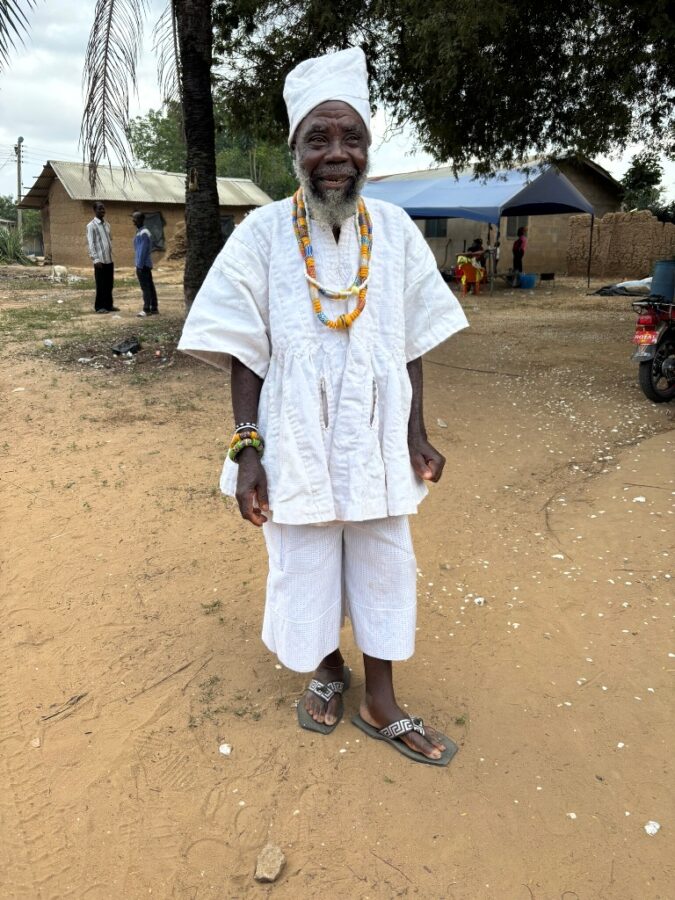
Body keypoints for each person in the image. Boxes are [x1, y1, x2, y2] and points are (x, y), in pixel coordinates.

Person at [178, 47, 468, 766]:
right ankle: (327, 668)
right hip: (294, 435)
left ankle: (381, 699)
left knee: (383, 558)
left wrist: (416, 432)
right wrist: (248, 449)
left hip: (375, 435)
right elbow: (245, 349)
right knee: (303, 558)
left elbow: (408, 341)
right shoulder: (261, 233)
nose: (336, 154)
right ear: (295, 149)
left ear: (367, 148)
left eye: (351, 138)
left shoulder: (394, 229)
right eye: (319, 138)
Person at [86, 201, 117, 313]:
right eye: (100, 209)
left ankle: (108, 305)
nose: (102, 210)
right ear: (95, 210)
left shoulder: (107, 225)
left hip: (109, 259)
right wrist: (95, 259)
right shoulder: (91, 226)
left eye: (103, 208)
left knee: (109, 284)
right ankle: (99, 307)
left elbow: (109, 240)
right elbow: (91, 243)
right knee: (101, 285)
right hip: (100, 261)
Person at [131, 211, 159, 317]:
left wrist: (139, 265)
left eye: (135, 218)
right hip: (144, 264)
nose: (133, 220)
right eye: (133, 218)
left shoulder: (144, 233)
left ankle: (146, 309)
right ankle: (154, 308)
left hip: (143, 265)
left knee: (145, 287)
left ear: (141, 220)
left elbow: (143, 251)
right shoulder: (140, 232)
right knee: (150, 286)